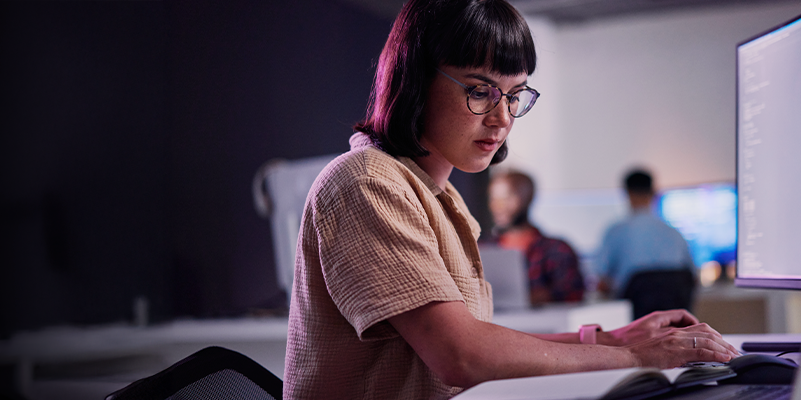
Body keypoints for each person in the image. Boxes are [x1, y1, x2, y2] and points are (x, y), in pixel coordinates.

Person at [283, 1, 740, 399]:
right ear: (416, 79)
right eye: (479, 91)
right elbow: (462, 356)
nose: (502, 117)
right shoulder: (366, 181)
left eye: (515, 95)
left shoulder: (439, 197)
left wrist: (612, 340)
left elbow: (476, 340)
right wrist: (635, 357)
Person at [598, 169, 698, 320]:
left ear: (627, 193)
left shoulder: (616, 232)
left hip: (634, 325)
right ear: (653, 192)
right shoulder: (675, 233)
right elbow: (693, 278)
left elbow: (602, 282)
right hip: (674, 323)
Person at [487, 170, 585, 306]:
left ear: (528, 198)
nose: (498, 206)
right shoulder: (482, 250)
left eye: (507, 199)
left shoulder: (558, 250)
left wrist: (531, 298)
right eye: (494, 199)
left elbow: (573, 295)